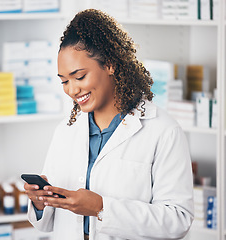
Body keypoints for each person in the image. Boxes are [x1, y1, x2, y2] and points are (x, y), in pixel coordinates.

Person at [24, 9, 194, 240]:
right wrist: (40, 202)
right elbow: (46, 225)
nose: (72, 90)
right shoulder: (66, 130)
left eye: (80, 76)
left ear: (110, 65)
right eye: (64, 81)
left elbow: (178, 220)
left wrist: (101, 208)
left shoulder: (163, 130)